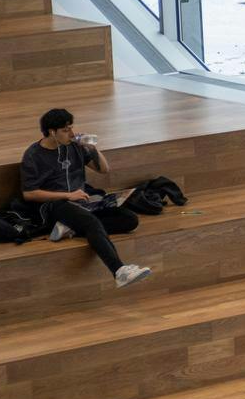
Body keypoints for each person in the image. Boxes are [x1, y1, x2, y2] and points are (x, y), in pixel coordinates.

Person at [20, 108, 154, 288]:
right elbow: (29, 193)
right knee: (91, 223)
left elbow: (104, 169)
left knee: (130, 219)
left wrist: (93, 149)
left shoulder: (74, 147)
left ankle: (70, 229)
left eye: (71, 128)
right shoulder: (33, 155)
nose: (72, 134)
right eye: (66, 130)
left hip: (82, 202)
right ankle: (119, 271)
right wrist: (68, 195)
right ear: (52, 132)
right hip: (55, 205)